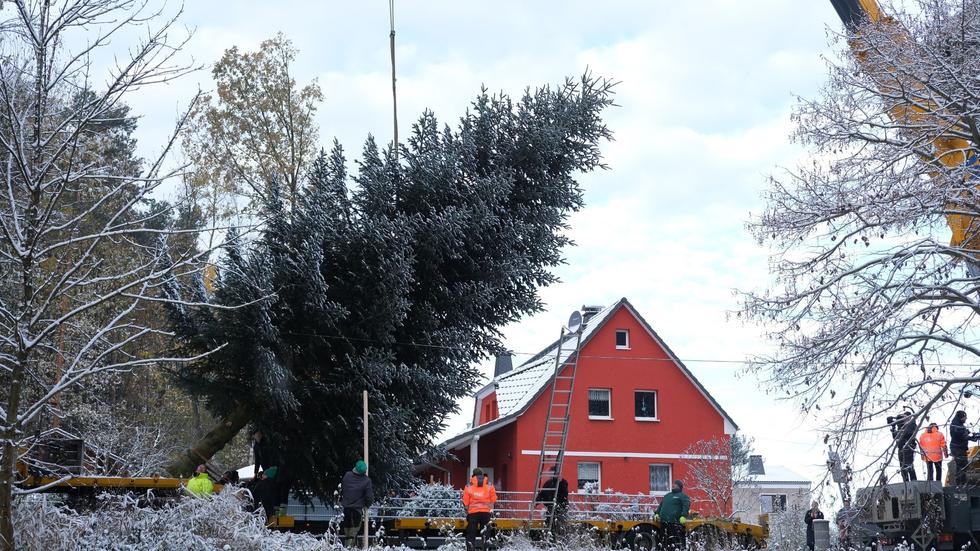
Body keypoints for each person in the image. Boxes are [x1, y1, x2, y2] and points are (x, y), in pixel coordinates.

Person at [340, 460, 374, 548]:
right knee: (354, 531)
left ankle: (346, 547)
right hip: (357, 509)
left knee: (347, 530)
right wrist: (367, 505)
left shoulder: (347, 476)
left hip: (346, 508)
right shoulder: (367, 481)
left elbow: (343, 488)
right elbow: (369, 497)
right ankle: (350, 547)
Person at [462, 468, 497, 551]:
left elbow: (465, 502)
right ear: (482, 475)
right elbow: (494, 499)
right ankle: (485, 549)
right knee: (485, 535)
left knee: (471, 535)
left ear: (473, 475)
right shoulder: (489, 485)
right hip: (486, 514)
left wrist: (467, 510)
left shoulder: (468, 486)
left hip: (473, 514)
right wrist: (490, 508)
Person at [655, 480, 691, 550]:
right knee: (664, 542)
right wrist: (657, 513)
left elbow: (686, 506)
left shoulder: (683, 496)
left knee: (675, 543)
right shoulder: (667, 496)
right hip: (663, 522)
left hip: (675, 523)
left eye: (675, 484)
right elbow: (661, 506)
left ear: (680, 486)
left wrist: (683, 516)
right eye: (673, 484)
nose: (673, 485)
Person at [534, 467, 569, 535]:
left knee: (558, 522)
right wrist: (536, 502)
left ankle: (558, 535)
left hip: (560, 507)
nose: (551, 475)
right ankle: (550, 535)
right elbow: (542, 494)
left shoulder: (563, 482)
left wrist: (560, 481)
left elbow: (565, 493)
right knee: (549, 520)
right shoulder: (548, 483)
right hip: (550, 506)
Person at [950, 411, 979, 485]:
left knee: (961, 465)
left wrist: (973, 435)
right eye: (965, 417)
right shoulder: (957, 426)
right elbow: (963, 436)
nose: (966, 419)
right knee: (962, 465)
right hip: (958, 449)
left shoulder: (958, 424)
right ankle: (961, 484)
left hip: (958, 448)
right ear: (961, 417)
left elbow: (965, 433)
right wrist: (972, 437)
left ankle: (961, 483)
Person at [895, 412, 918, 481]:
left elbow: (909, 433)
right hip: (900, 448)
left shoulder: (912, 425)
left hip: (909, 447)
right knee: (903, 469)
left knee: (909, 467)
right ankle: (906, 483)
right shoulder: (901, 427)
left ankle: (914, 483)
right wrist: (894, 426)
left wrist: (902, 425)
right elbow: (895, 437)